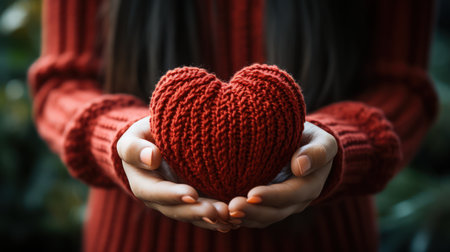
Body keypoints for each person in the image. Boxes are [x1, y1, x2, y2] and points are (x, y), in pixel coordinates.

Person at [28, 0, 438, 251]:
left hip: (326, 237)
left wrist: (335, 143)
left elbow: (403, 86)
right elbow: (61, 83)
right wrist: (119, 136)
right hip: (131, 237)